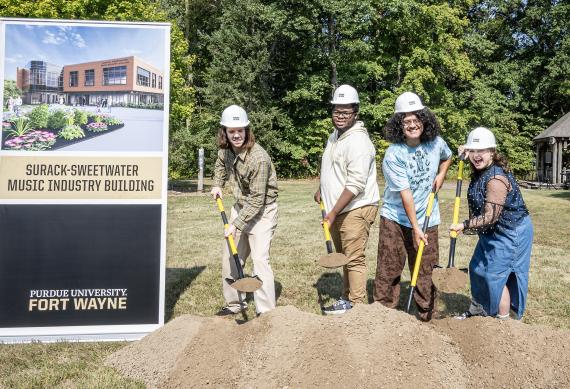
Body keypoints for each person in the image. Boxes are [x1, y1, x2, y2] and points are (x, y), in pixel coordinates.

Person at [373, 91, 452, 321]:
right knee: (389, 269)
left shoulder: (436, 143)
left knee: (427, 271)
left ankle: (426, 316)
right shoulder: (393, 154)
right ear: (399, 125)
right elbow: (406, 195)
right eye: (406, 121)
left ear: (424, 119)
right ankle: (382, 316)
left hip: (429, 217)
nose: (412, 124)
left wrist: (442, 174)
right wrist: (416, 228)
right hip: (395, 219)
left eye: (416, 118)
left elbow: (447, 157)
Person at [450, 127, 533, 320]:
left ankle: (503, 321)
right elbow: (469, 154)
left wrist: (464, 225)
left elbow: (491, 216)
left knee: (495, 276)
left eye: (482, 151)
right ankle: (479, 309)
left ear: (492, 152)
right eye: (473, 151)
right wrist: (464, 154)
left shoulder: (496, 178)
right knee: (478, 268)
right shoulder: (480, 166)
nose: (476, 156)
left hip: (511, 231)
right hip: (492, 231)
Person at [314, 84, 380, 315]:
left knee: (353, 259)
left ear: (356, 112)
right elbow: (334, 167)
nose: (340, 116)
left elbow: (355, 184)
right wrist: (322, 187)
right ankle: (347, 300)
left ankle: (357, 307)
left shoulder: (359, 142)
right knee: (345, 257)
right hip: (340, 208)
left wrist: (332, 213)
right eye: (336, 111)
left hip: (356, 208)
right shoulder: (335, 136)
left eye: (345, 112)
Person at [210, 104, 279, 316]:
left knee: (259, 260)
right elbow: (221, 166)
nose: (237, 135)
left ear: (247, 131)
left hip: (263, 211)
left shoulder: (259, 158)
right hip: (240, 206)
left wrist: (235, 225)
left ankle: (266, 312)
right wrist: (217, 184)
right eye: (232, 131)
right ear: (225, 133)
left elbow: (258, 200)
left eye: (240, 130)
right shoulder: (226, 150)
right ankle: (234, 303)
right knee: (231, 257)